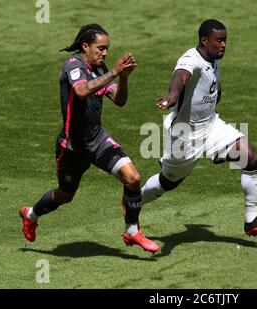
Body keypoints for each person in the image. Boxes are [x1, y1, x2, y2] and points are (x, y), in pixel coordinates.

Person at [19, 24, 159, 253]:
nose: (104, 53)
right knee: (65, 195)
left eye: (107, 49)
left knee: (133, 178)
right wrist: (114, 72)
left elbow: (120, 100)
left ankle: (132, 231)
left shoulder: (100, 67)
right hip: (72, 147)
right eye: (100, 48)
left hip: (98, 141)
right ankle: (31, 214)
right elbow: (81, 91)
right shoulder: (73, 65)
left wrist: (123, 78)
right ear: (85, 46)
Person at [141, 19, 257, 237]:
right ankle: (134, 201)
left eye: (225, 40)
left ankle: (251, 221)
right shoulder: (191, 59)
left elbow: (211, 82)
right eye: (219, 41)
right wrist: (173, 94)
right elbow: (181, 75)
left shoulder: (213, 57)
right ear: (204, 41)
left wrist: (216, 95)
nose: (224, 45)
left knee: (251, 158)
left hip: (211, 125)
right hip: (185, 135)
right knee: (167, 183)